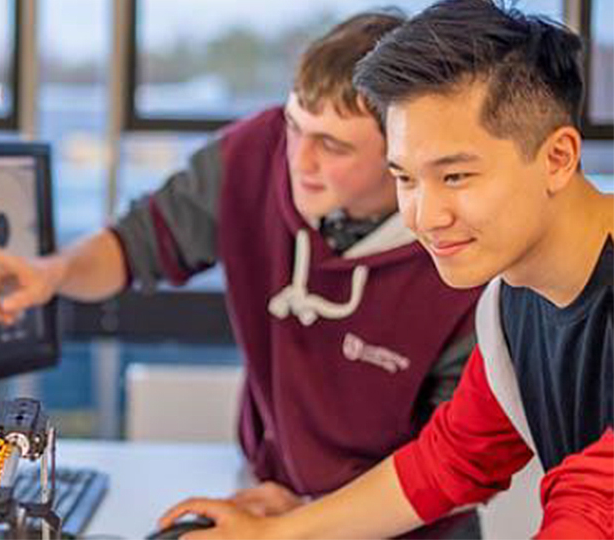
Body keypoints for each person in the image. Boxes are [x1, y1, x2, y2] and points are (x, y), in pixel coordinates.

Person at [0, 11, 482, 535]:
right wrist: (55, 273)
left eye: (333, 145)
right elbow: (136, 243)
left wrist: (309, 517)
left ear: (402, 151)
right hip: (270, 502)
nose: (299, 160)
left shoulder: (462, 260)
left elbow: (442, 468)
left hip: (406, 527)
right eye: (294, 127)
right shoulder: (253, 154)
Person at [158, 0, 613, 537]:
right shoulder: (510, 301)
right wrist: (275, 533)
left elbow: (593, 509)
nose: (425, 216)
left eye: (456, 177)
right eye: (406, 178)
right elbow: (452, 459)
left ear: (558, 158)